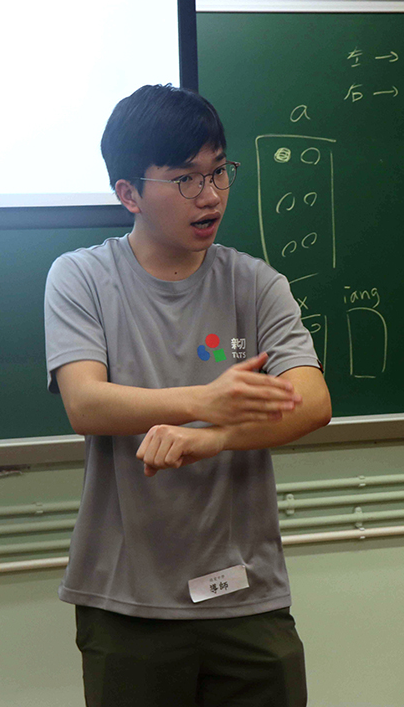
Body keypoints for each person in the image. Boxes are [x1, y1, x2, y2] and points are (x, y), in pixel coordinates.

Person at [43, 84, 331, 707]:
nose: (211, 195)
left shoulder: (256, 283)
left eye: (218, 171)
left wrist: (212, 439)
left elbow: (311, 401)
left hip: (248, 596)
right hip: (126, 602)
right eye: (185, 179)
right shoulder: (81, 277)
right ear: (129, 194)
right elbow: (85, 403)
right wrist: (204, 401)